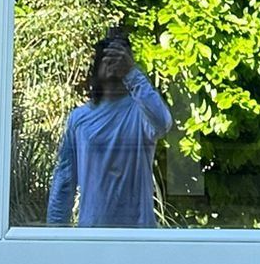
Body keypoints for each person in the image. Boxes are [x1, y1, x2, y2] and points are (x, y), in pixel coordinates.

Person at [46, 29, 173, 227]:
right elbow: (64, 180)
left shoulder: (142, 112)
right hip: (93, 234)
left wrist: (132, 73)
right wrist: (54, 235)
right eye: (107, 56)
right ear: (97, 66)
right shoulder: (79, 118)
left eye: (120, 57)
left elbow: (163, 122)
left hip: (139, 235)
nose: (113, 63)